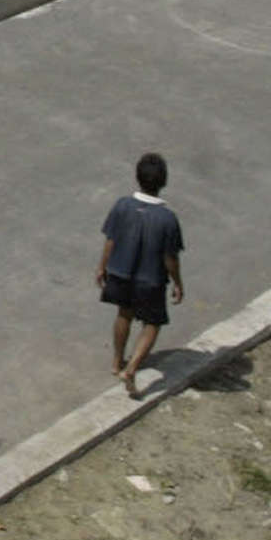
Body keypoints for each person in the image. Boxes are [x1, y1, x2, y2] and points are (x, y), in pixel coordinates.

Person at [97, 150, 185, 398]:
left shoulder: (122, 206)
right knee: (153, 323)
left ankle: (117, 361)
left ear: (137, 177)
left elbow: (110, 240)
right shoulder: (168, 219)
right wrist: (178, 283)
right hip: (150, 280)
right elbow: (170, 258)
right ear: (164, 182)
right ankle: (132, 368)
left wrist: (102, 266)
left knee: (124, 313)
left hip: (121, 273)